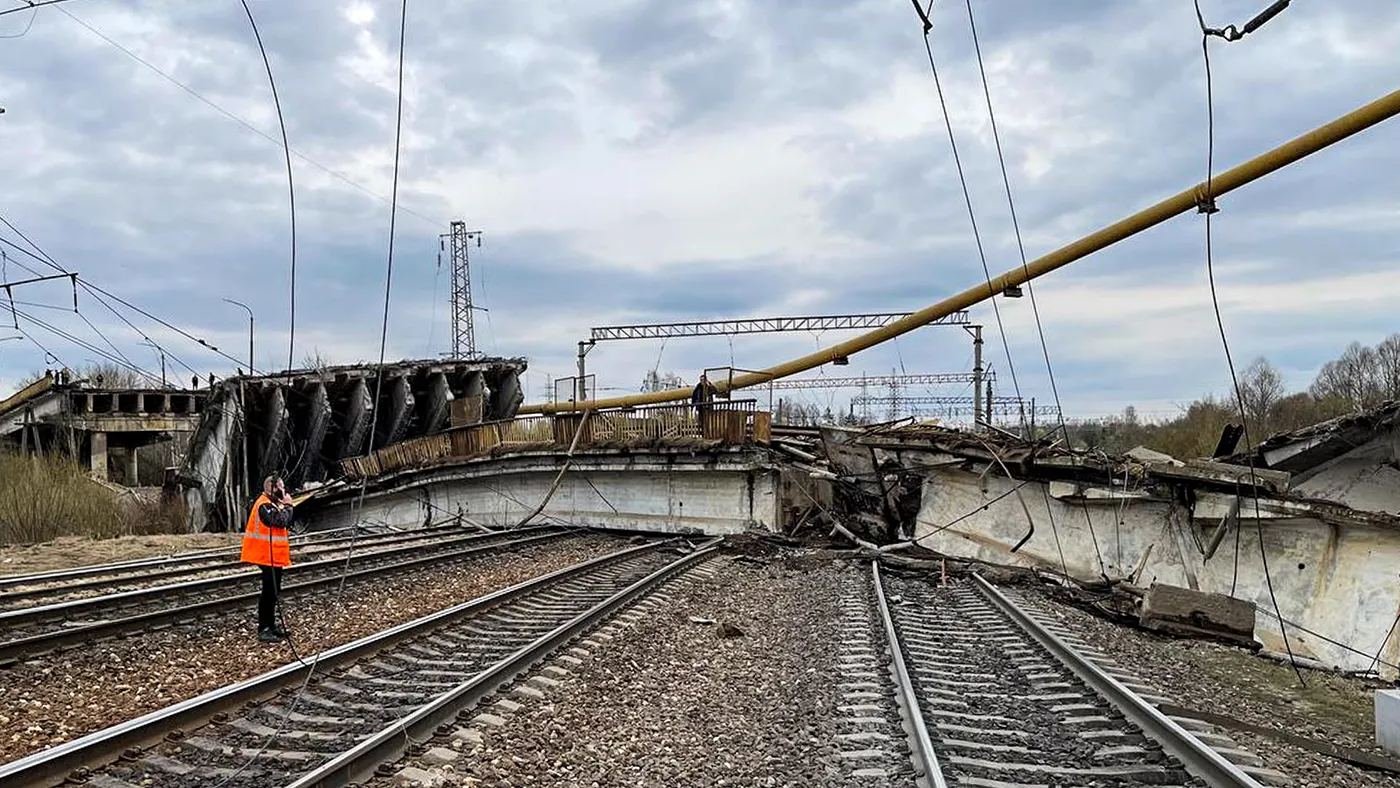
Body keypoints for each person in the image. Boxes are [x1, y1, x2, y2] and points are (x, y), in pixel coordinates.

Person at [241, 475, 295, 642]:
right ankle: (264, 628)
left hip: (273, 555)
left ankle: (271, 625)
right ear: (273, 488)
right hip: (264, 555)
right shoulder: (263, 504)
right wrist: (288, 506)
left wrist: (284, 506)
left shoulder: (271, 504)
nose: (284, 490)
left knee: (273, 591)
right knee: (269, 592)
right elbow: (280, 521)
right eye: (281, 487)